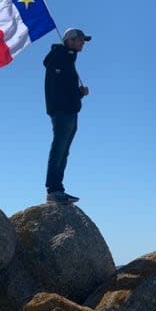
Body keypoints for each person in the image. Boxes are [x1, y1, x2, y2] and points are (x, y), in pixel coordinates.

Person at [43, 28, 91, 204]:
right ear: (70, 41)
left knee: (64, 151)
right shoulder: (60, 58)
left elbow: (64, 88)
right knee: (59, 149)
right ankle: (53, 190)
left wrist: (79, 94)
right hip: (62, 111)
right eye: (80, 40)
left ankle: (58, 189)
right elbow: (57, 89)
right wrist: (75, 96)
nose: (83, 43)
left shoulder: (68, 58)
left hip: (69, 110)